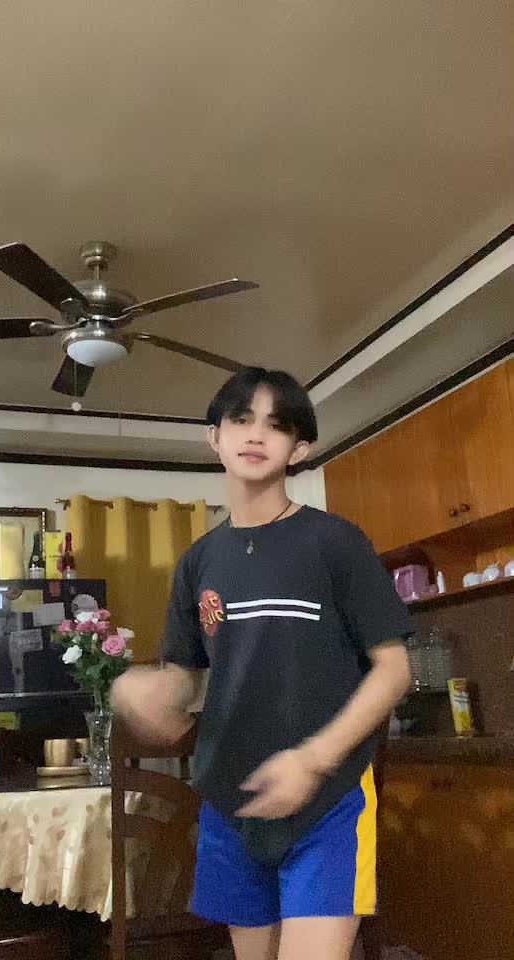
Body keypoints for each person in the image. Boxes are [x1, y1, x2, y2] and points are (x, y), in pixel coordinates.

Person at [112, 367, 411, 960]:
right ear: (214, 437)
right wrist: (149, 691)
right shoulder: (198, 561)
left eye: (276, 426)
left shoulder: (335, 542)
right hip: (231, 802)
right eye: (241, 419)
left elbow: (394, 669)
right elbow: (185, 674)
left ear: (299, 449)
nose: (255, 435)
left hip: (329, 799)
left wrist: (313, 759)